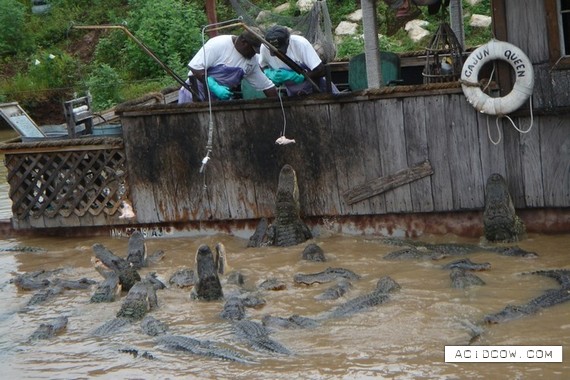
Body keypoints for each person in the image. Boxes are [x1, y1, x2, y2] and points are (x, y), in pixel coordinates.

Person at [178, 29, 278, 103]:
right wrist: (213, 85)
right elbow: (195, 67)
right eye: (252, 50)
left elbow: (267, 86)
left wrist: (279, 107)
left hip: (216, 100)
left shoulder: (252, 62)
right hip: (194, 94)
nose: (254, 54)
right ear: (243, 43)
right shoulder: (218, 44)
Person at [258, 26, 338, 97]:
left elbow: (320, 70)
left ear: (287, 41)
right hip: (293, 92)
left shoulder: (300, 44)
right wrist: (269, 74)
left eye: (280, 50)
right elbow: (262, 65)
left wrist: (301, 77)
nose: (277, 54)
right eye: (273, 51)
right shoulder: (265, 47)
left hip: (316, 87)